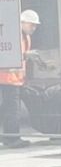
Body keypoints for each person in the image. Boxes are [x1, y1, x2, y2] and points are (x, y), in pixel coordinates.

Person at [0, 10, 39, 148]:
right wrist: (26, 55)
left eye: (35, 25)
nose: (33, 28)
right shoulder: (13, 35)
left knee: (9, 109)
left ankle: (8, 137)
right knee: (13, 110)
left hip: (16, 79)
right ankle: (12, 139)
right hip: (8, 78)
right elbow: (11, 55)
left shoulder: (26, 37)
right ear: (22, 23)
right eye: (31, 24)